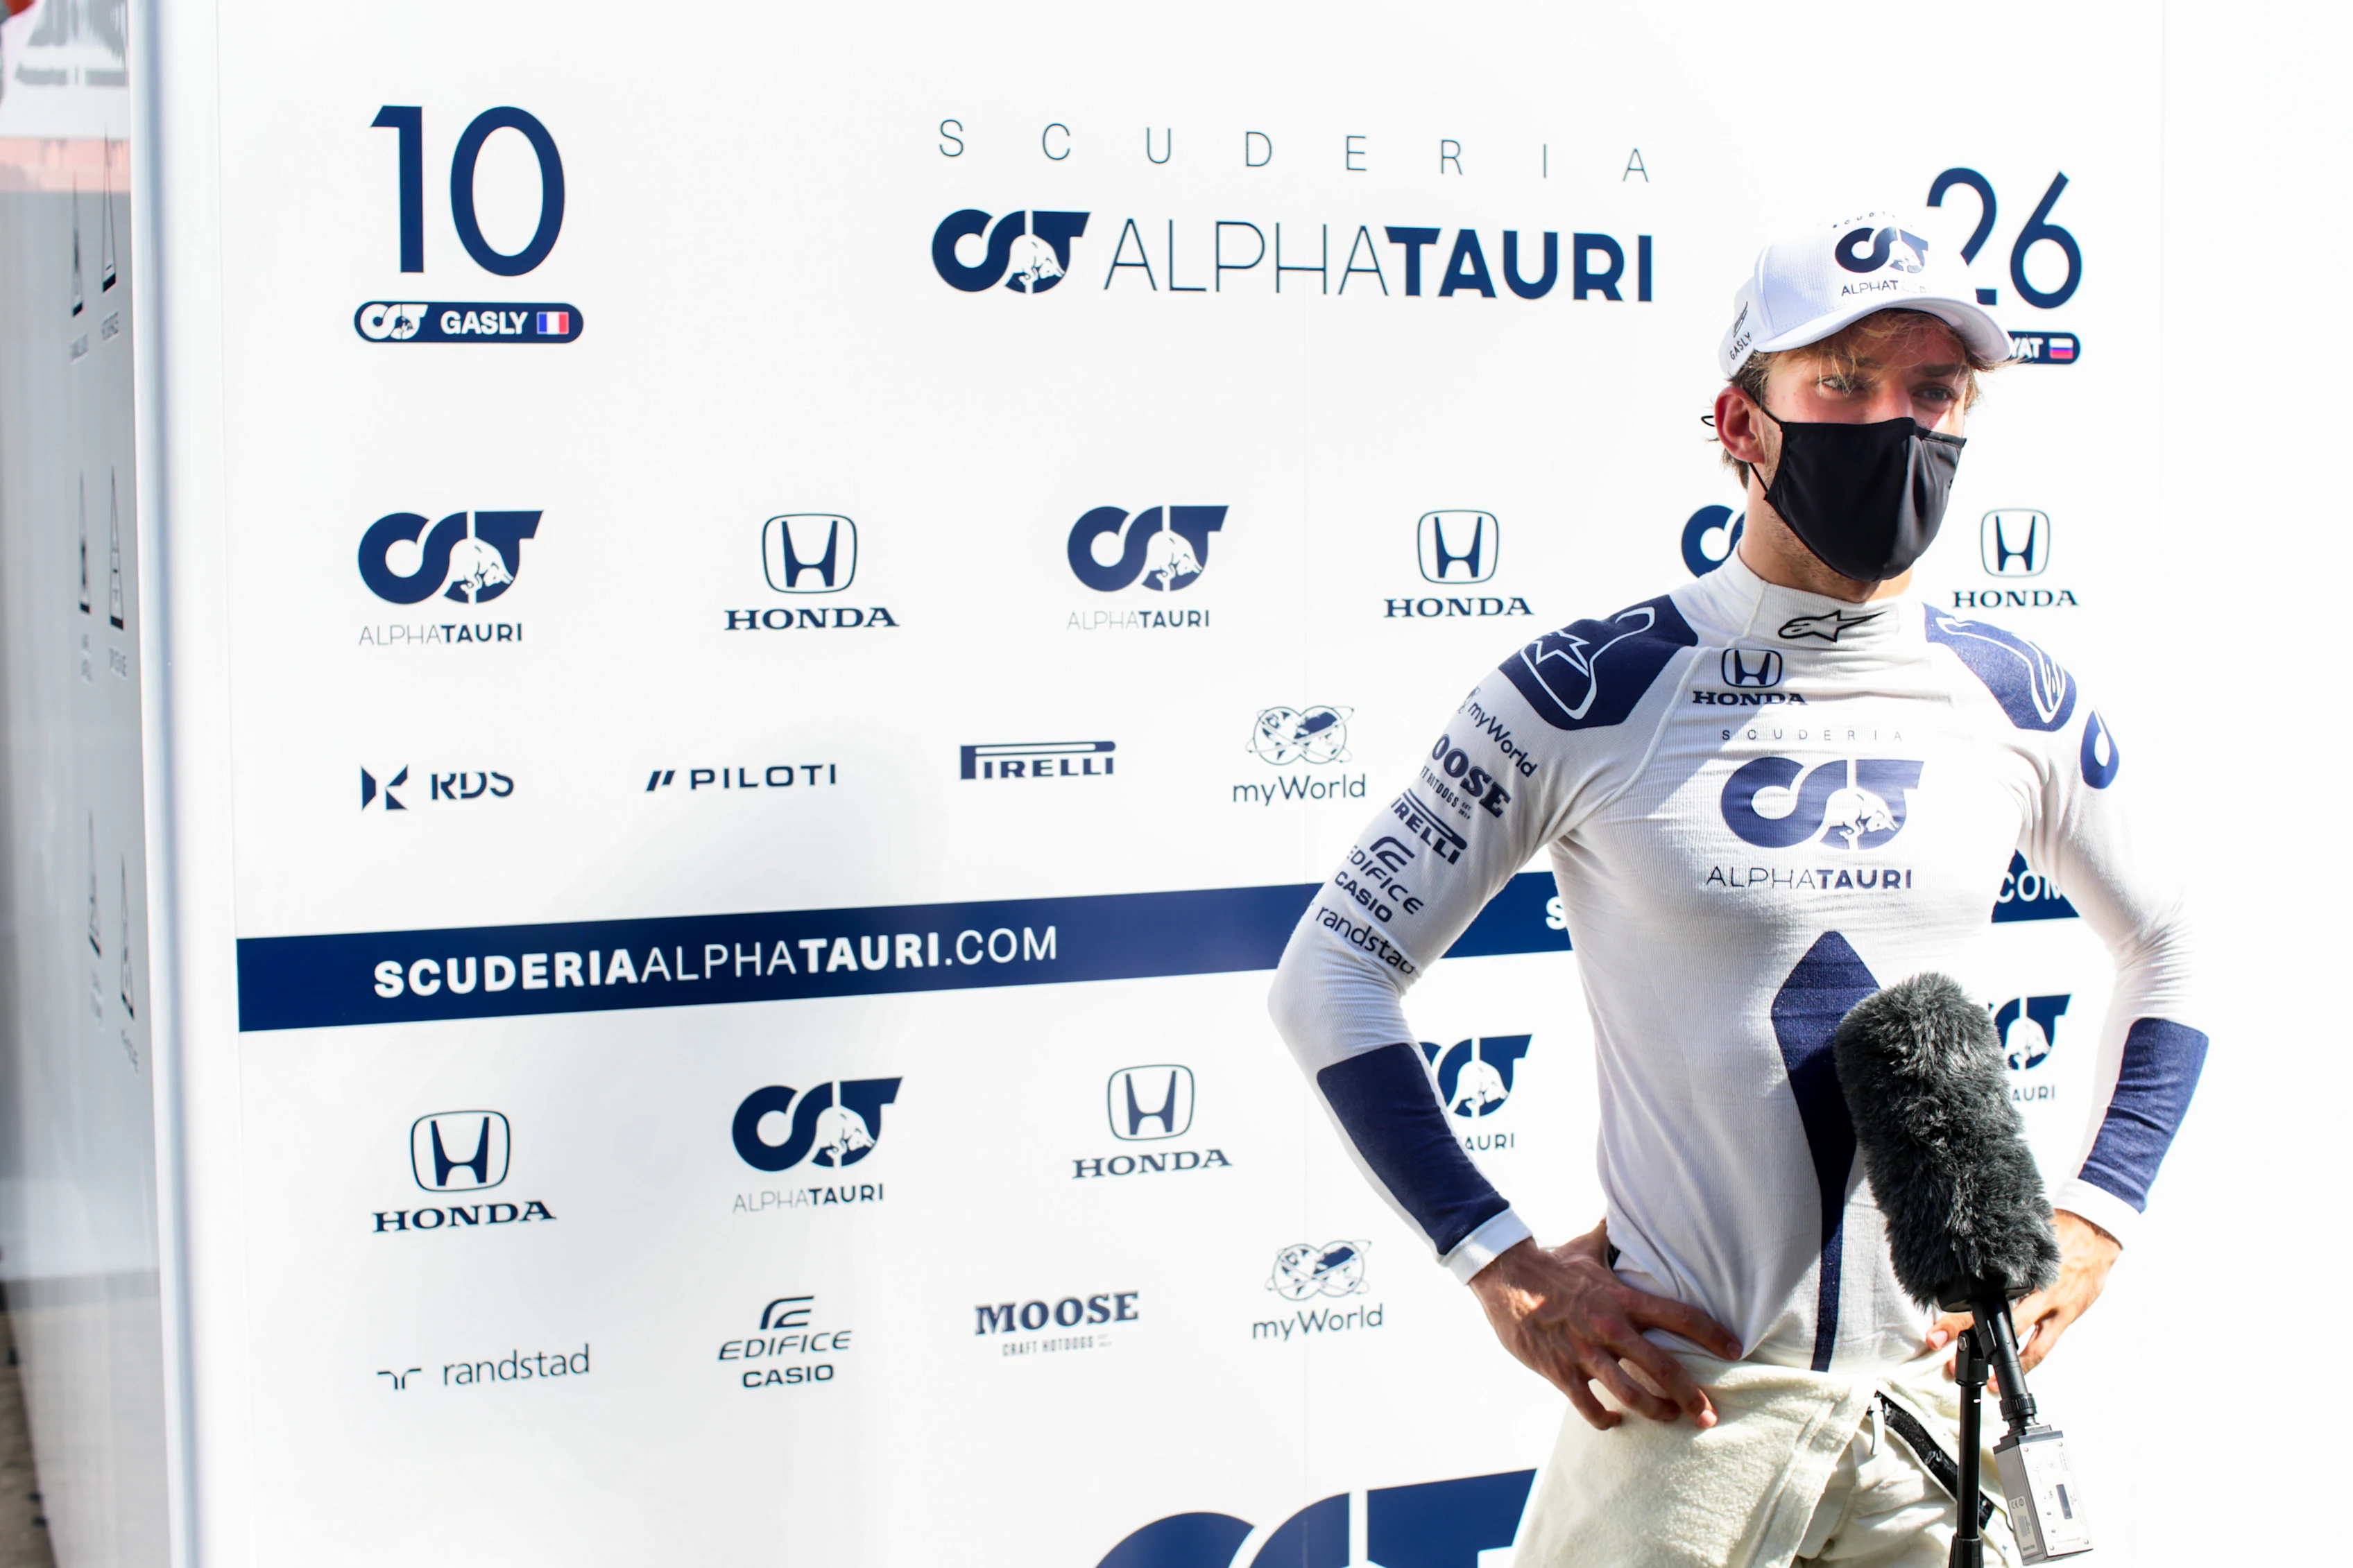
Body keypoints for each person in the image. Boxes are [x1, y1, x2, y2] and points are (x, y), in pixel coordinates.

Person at [1266, 208, 2205, 1567]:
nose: (1895, 423)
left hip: (1940, 1405)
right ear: (1740, 421)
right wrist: (1503, 1264)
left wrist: (2099, 1211)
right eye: (1842, 382)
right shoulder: (1588, 690)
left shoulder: (2016, 696)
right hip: (1683, 1401)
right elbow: (1330, 971)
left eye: (1933, 391)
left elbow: (2174, 938)